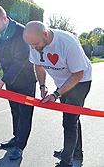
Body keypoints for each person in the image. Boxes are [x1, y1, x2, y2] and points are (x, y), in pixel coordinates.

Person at [23, 21, 92, 167]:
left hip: (80, 81)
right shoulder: (34, 44)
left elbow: (77, 74)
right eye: (30, 45)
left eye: (35, 43)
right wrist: (42, 85)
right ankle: (75, 151)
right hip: (62, 83)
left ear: (46, 34)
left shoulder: (68, 43)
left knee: (69, 121)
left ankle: (66, 162)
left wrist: (55, 95)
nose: (33, 47)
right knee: (72, 118)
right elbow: (38, 64)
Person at [0, 4, 37, 160]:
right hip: (10, 80)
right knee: (14, 110)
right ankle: (16, 137)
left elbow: (20, 60)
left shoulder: (22, 31)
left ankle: (20, 146)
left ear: (5, 19)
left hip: (25, 79)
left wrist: (4, 79)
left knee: (25, 113)